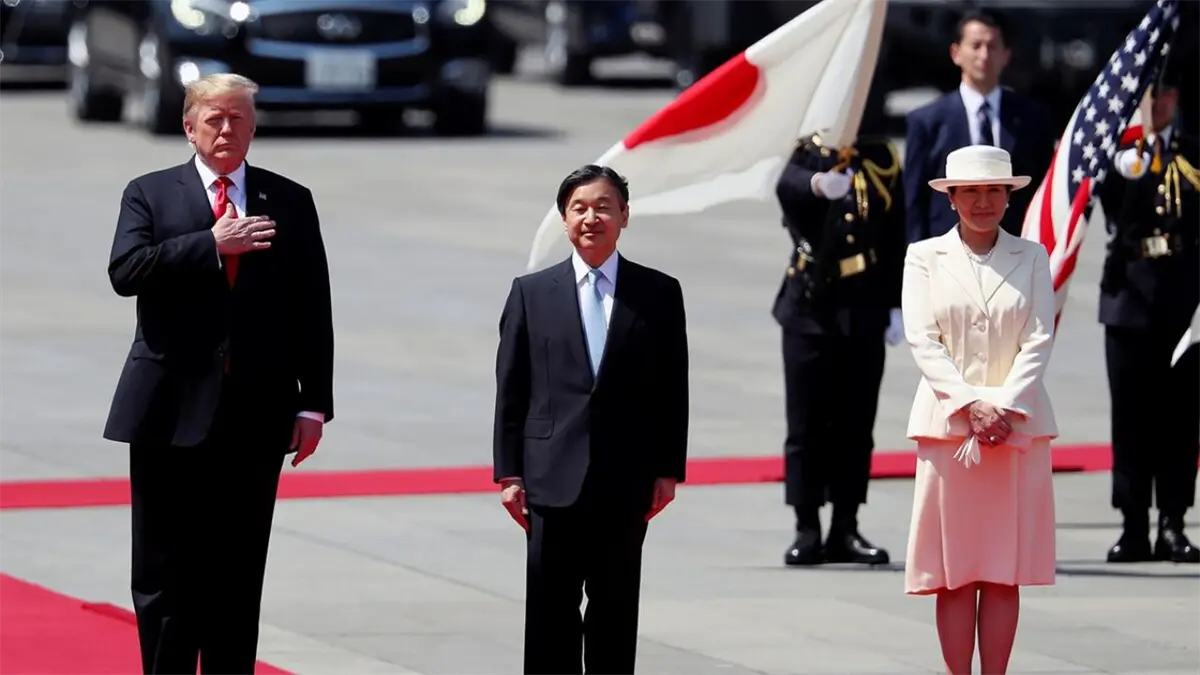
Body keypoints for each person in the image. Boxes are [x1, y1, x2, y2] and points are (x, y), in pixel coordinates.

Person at [102, 73, 334, 674]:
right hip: (168, 410)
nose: (227, 128)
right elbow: (126, 271)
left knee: (236, 568)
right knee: (164, 570)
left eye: (238, 118)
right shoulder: (150, 194)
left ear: (254, 128)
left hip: (255, 413)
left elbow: (312, 306)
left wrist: (314, 404)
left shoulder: (288, 199)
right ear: (189, 127)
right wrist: (211, 243)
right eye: (214, 118)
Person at [491, 164, 689, 675]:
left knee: (616, 613)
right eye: (579, 208)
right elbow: (512, 388)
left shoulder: (659, 293)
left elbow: (672, 387)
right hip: (548, 479)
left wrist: (668, 470)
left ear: (624, 215)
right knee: (549, 616)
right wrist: (509, 473)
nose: (591, 218)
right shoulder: (531, 293)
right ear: (563, 219)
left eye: (603, 207)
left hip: (625, 480)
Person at [901, 145, 1058, 675]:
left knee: (1001, 569)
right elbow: (923, 340)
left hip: (1016, 427)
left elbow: (1039, 336)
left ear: (1009, 197)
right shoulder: (924, 256)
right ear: (951, 198)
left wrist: (1006, 407)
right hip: (951, 429)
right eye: (970, 191)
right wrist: (971, 406)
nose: (982, 202)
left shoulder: (1032, 256)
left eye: (993, 191)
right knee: (956, 569)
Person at [771, 131, 906, 567]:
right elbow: (785, 185)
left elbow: (894, 229)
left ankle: (845, 526)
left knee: (856, 421)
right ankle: (807, 527)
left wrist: (896, 303)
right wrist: (816, 184)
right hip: (810, 303)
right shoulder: (806, 152)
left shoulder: (880, 154)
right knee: (806, 421)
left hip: (862, 301)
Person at [1096, 58, 1200, 564]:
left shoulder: (1191, 155)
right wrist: (1124, 169)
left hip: (1181, 296)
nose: (1155, 105)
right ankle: (1132, 521)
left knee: (1180, 416)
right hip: (1128, 295)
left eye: (1163, 95)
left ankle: (1173, 521)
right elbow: (1109, 213)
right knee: (1131, 416)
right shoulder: (1117, 157)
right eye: (1146, 97)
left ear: (1175, 100)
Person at [903, 10, 1056, 245]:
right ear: (956, 53)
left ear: (1006, 55)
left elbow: (1045, 195)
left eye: (992, 46)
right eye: (975, 46)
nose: (984, 55)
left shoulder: (1033, 118)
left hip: (1015, 254)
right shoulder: (927, 122)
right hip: (947, 257)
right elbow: (913, 203)